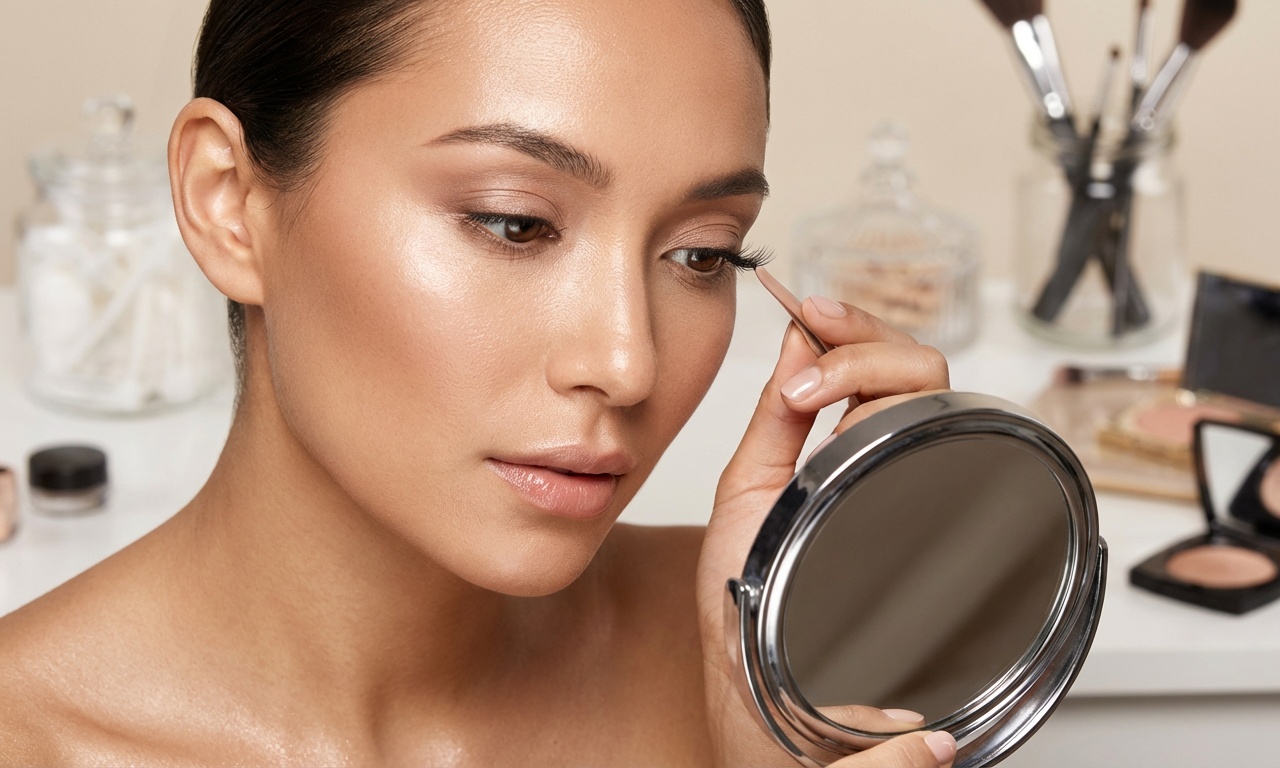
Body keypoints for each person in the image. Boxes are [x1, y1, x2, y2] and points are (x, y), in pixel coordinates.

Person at [0, 1, 954, 764]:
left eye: (705, 253)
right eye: (514, 223)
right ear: (230, 204)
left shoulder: (785, 669)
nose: (627, 363)